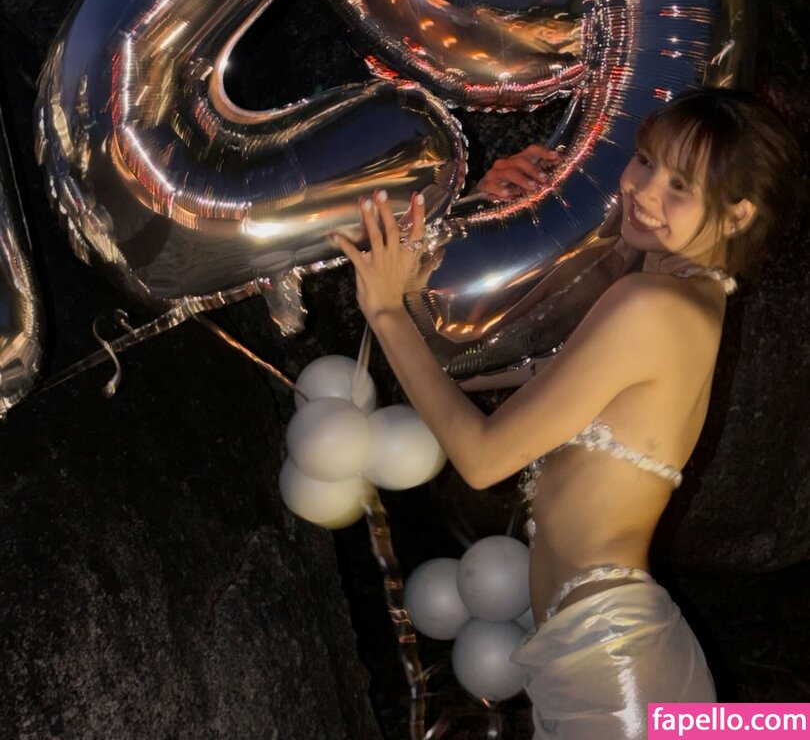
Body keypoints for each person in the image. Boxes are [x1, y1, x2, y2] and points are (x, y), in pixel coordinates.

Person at [330, 88, 798, 739]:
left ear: (738, 214)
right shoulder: (679, 299)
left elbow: (483, 458)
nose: (643, 191)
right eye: (645, 161)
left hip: (615, 670)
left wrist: (384, 311)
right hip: (606, 659)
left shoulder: (651, 306)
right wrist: (486, 218)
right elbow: (468, 363)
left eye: (680, 185)